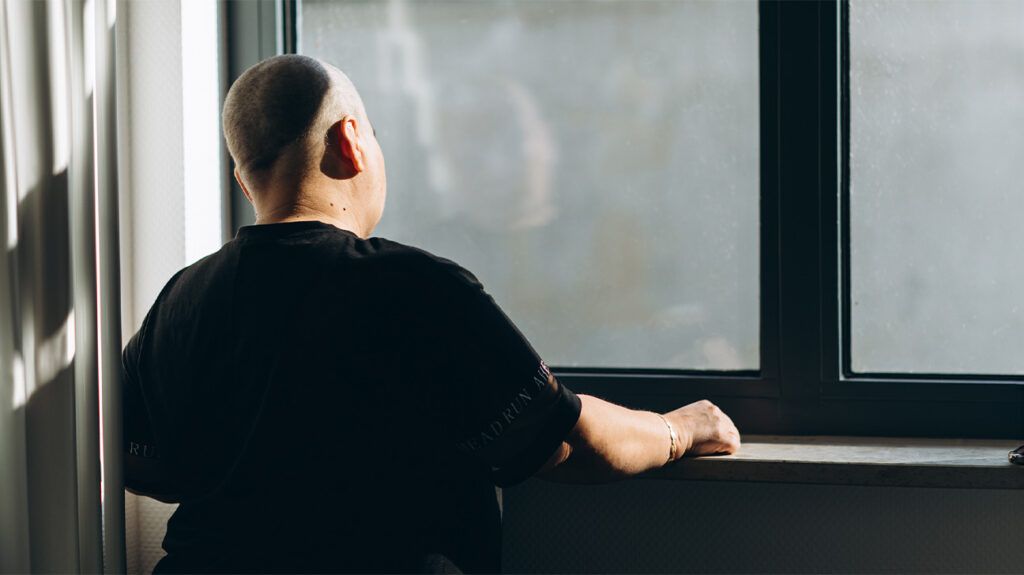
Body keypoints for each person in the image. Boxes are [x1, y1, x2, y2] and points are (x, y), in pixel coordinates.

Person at [122, 54, 741, 574]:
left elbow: (141, 461)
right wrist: (679, 431)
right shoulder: (412, 286)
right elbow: (560, 443)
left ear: (243, 179)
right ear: (351, 140)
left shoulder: (178, 301)